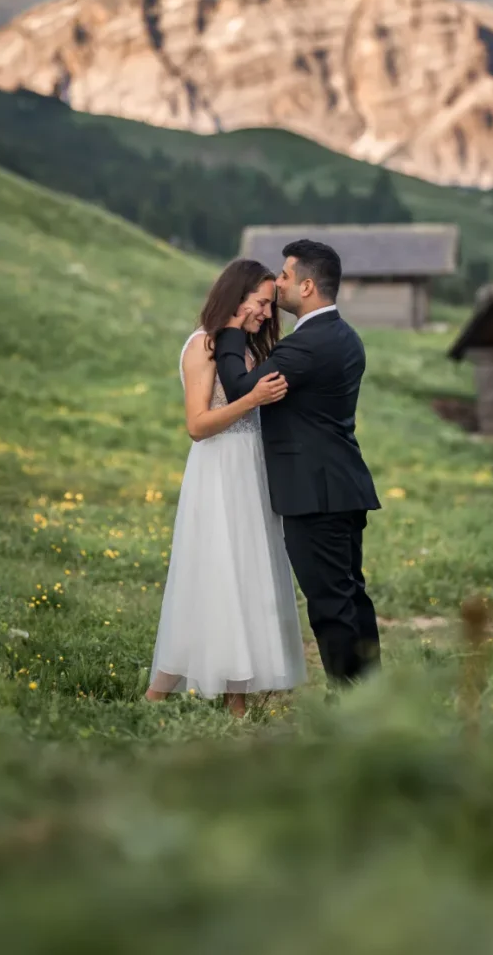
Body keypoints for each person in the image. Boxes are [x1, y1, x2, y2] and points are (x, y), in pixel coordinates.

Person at [211, 238, 383, 685]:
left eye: (285, 276)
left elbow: (239, 389)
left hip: (315, 494)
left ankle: (350, 707)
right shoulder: (344, 335)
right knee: (351, 599)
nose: (279, 284)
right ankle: (368, 699)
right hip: (342, 487)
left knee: (331, 606)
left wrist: (230, 329)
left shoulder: (308, 345)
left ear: (307, 286)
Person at [145, 258, 308, 716]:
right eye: (259, 303)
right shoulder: (202, 345)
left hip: (251, 474)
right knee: (213, 576)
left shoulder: (248, 349)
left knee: (247, 578)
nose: (264, 313)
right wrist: (254, 398)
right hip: (217, 472)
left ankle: (236, 700)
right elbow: (198, 425)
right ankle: (157, 693)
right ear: (235, 298)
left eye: (269, 306)